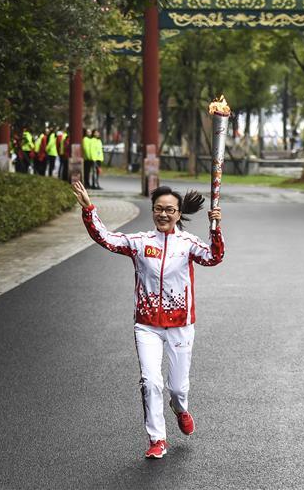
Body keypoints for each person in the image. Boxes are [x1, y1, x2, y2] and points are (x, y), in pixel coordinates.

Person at [72, 180, 224, 459]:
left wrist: (215, 228)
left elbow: (214, 257)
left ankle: (179, 408)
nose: (163, 214)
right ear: (153, 211)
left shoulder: (187, 244)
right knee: (151, 381)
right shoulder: (140, 243)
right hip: (147, 325)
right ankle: (157, 439)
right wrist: (89, 209)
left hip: (180, 324)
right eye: (158, 209)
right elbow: (105, 238)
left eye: (169, 210)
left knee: (178, 388)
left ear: (179, 214)